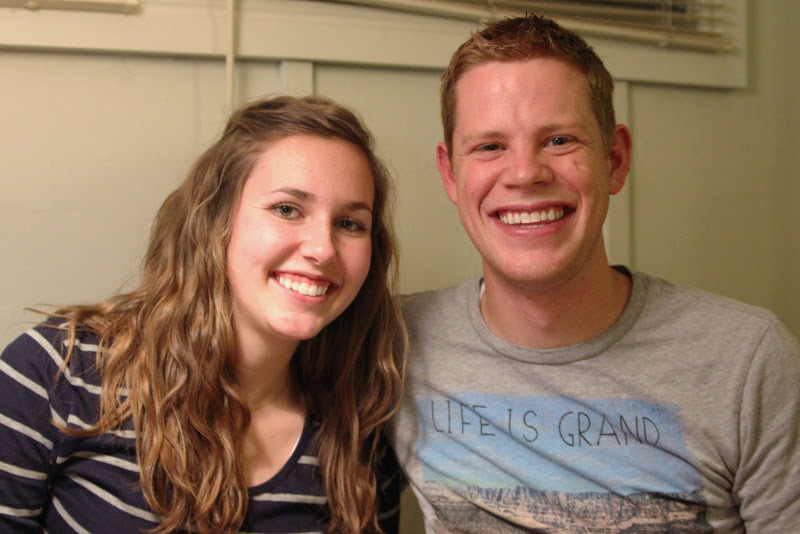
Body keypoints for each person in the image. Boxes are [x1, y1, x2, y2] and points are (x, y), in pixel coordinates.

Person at [391, 14, 800, 533]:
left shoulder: (747, 362)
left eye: (559, 140)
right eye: (490, 146)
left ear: (615, 159)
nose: (525, 173)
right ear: (451, 173)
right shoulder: (393, 344)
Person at [0, 95, 405, 534]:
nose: (323, 249)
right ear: (215, 220)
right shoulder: (57, 372)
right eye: (287, 209)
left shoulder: (361, 431)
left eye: (349, 223)